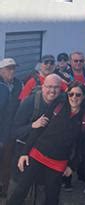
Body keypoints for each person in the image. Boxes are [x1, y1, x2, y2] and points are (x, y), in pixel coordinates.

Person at [7, 81, 85, 205]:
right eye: (71, 94)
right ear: (67, 94)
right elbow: (38, 130)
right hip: (38, 153)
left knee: (52, 196)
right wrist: (24, 153)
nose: (74, 98)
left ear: (83, 96)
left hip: (58, 161)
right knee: (21, 190)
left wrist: (72, 166)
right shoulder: (58, 106)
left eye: (78, 95)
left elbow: (81, 146)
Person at [0, 58, 23, 196]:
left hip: (12, 130)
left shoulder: (19, 84)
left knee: (8, 160)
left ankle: (4, 187)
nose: (12, 71)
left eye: (14, 68)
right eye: (9, 68)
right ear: (1, 70)